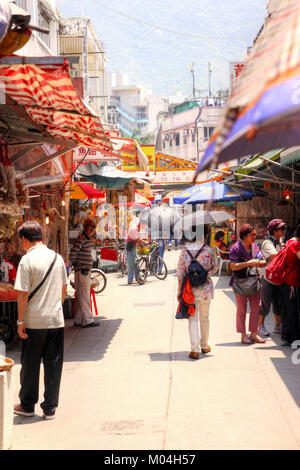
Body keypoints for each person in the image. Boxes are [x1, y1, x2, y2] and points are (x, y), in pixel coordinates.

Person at [13, 221, 67, 420]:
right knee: (53, 364)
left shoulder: (27, 261)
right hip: (55, 320)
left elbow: (22, 295)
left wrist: (20, 323)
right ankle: (50, 408)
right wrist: (54, 309)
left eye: (21, 241)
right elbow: (63, 290)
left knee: (30, 364)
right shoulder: (57, 258)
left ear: (25, 240)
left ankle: (27, 405)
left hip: (33, 322)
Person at [177, 225, 217, 359]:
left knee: (192, 318)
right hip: (206, 289)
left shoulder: (184, 251)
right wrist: (206, 274)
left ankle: (195, 349)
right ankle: (205, 345)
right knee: (205, 318)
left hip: (190, 290)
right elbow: (215, 267)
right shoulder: (209, 251)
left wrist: (179, 290)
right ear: (204, 235)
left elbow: (181, 272)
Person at [229, 224, 267, 344]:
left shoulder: (255, 247)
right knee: (242, 309)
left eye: (255, 234)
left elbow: (263, 260)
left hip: (254, 282)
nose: (255, 237)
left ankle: (254, 334)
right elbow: (233, 266)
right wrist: (248, 263)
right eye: (252, 235)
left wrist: (260, 263)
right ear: (244, 236)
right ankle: (243, 335)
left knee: (256, 308)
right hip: (240, 283)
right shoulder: (235, 248)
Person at [70, 217, 100, 327]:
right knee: (84, 296)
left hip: (84, 270)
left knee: (81, 295)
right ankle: (88, 320)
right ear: (85, 227)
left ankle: (78, 320)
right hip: (82, 271)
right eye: (90, 226)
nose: (92, 229)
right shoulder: (82, 238)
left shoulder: (87, 239)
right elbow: (73, 253)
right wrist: (76, 265)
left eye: (94, 227)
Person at [258, 219, 286, 337]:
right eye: (281, 229)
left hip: (278, 278)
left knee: (278, 303)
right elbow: (274, 256)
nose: (284, 230)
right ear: (274, 231)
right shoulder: (267, 243)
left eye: (284, 228)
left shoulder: (280, 242)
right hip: (268, 278)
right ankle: (260, 326)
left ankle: (277, 326)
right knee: (265, 303)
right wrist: (288, 249)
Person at [279, 224, 300, 347]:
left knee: (287, 310)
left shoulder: (290, 241)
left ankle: (286, 337)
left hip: (287, 280)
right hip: (291, 282)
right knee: (292, 311)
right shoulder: (296, 244)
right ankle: (295, 339)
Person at [126, 216, 146, 285]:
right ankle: (133, 279)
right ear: (141, 223)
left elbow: (137, 238)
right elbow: (137, 238)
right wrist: (144, 243)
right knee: (133, 262)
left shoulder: (137, 228)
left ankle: (136, 278)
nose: (144, 226)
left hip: (132, 246)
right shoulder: (136, 228)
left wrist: (142, 243)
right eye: (144, 225)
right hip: (130, 246)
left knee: (134, 262)